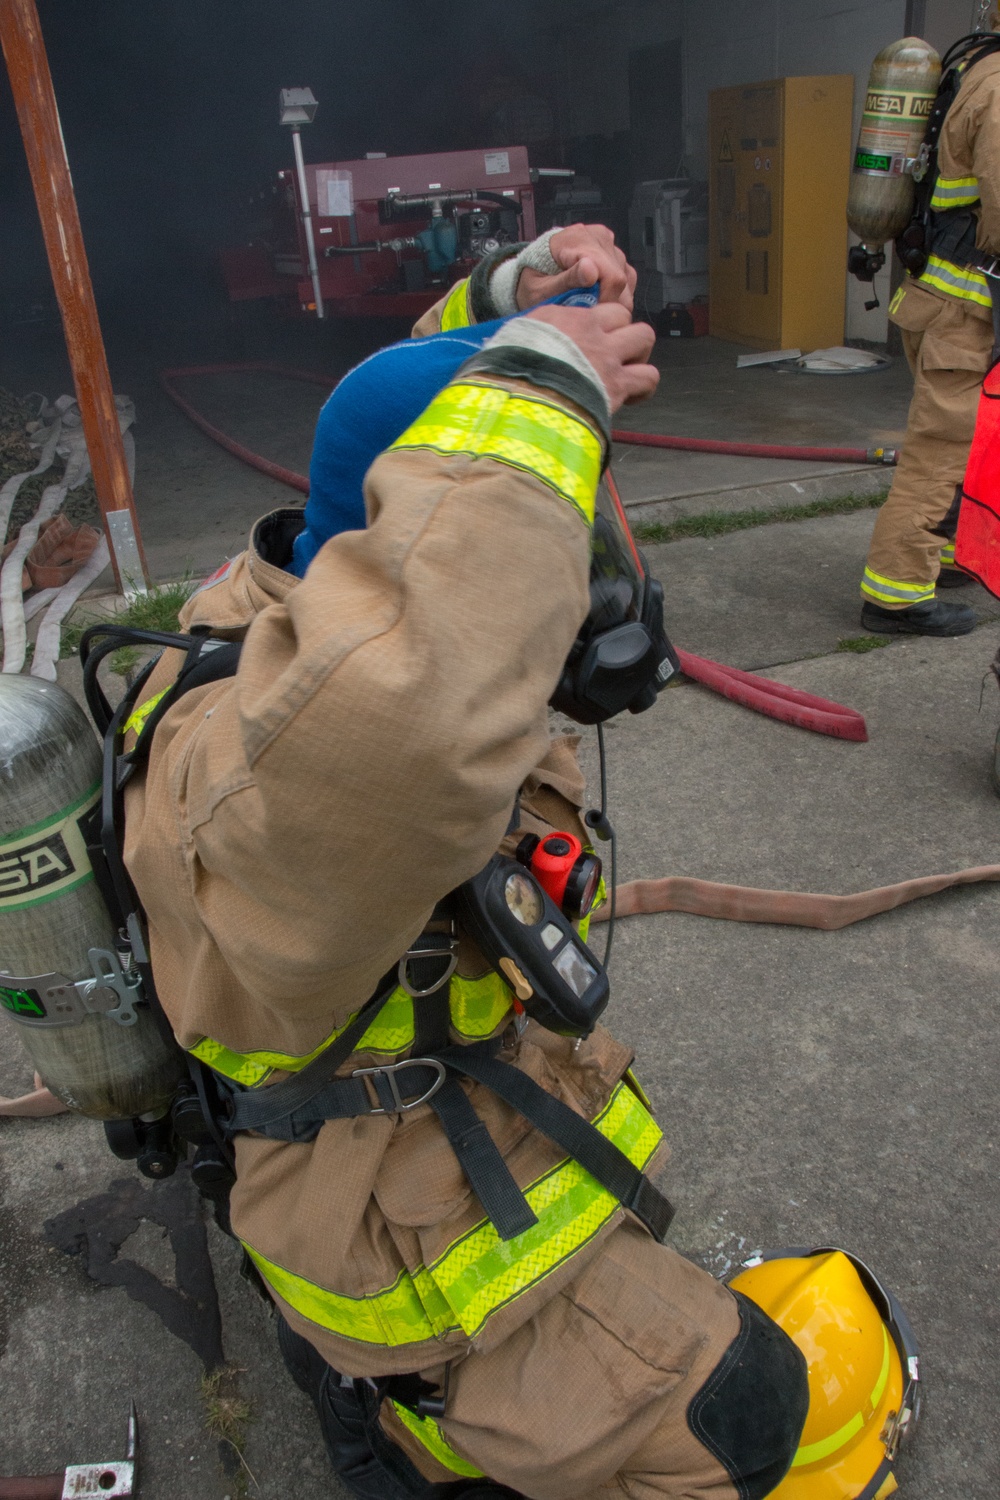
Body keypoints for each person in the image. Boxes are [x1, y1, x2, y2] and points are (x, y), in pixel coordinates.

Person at [120, 225, 809, 1498]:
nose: (586, 599)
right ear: (422, 547)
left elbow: (378, 411)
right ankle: (405, 1419)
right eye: (553, 537)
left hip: (456, 1104)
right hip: (392, 1230)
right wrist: (541, 388)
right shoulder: (284, 756)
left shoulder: (316, 592)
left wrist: (512, 297)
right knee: (747, 1422)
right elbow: (406, 716)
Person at [860, 4, 1000, 636]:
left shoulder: (974, 69)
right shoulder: (999, 86)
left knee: (966, 449)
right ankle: (895, 596)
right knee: (939, 453)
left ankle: (936, 555)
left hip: (947, 302)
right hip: (965, 314)